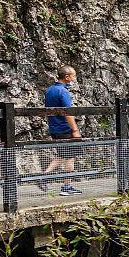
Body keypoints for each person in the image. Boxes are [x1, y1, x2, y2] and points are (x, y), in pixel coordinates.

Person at [41, 65, 83, 196]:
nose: (74, 78)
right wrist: (75, 130)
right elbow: (68, 113)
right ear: (67, 77)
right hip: (65, 128)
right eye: (73, 76)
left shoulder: (49, 90)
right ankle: (66, 186)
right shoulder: (63, 92)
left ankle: (43, 176)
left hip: (54, 127)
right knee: (70, 157)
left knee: (63, 155)